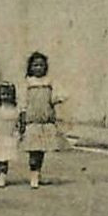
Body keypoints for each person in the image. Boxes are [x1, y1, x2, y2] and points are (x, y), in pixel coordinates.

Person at [19, 50, 67, 189]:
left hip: (45, 121)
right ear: (30, 67)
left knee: (41, 150)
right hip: (32, 121)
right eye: (35, 65)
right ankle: (33, 174)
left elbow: (55, 97)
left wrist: (58, 99)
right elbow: (23, 103)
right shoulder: (27, 83)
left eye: (41, 65)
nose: (38, 68)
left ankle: (38, 172)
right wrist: (22, 119)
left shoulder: (49, 82)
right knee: (33, 150)